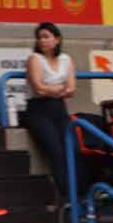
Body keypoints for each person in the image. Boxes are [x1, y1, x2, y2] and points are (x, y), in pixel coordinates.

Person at [23, 21, 76, 201]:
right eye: (39, 38)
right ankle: (65, 195)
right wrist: (59, 89)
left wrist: (53, 89)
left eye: (46, 37)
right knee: (55, 150)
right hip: (39, 109)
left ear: (57, 39)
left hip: (59, 108)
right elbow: (39, 88)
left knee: (71, 147)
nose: (42, 41)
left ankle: (78, 191)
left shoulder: (66, 59)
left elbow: (71, 89)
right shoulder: (34, 59)